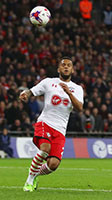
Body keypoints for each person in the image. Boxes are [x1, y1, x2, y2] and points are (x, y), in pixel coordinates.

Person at [20, 57, 84, 192]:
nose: (66, 67)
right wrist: (25, 93)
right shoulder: (49, 82)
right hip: (45, 122)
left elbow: (79, 108)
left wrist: (69, 93)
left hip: (60, 129)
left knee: (53, 164)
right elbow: (32, 91)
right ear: (58, 69)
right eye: (63, 65)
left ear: (72, 69)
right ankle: (29, 181)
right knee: (44, 148)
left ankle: (35, 174)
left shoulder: (77, 89)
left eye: (69, 65)